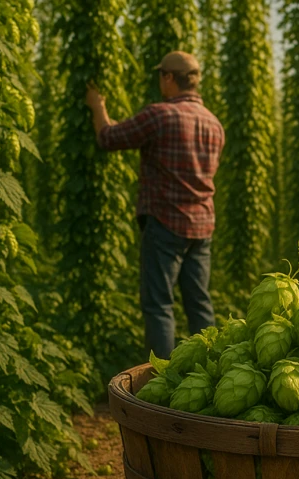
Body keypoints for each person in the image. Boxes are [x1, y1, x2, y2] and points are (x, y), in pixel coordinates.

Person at [84, 51, 225, 358]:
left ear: (169, 78)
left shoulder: (159, 115)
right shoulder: (214, 124)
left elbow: (109, 137)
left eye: (161, 75)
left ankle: (159, 384)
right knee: (199, 305)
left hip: (165, 223)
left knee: (159, 306)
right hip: (202, 228)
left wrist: (98, 107)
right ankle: (213, 375)